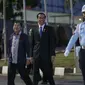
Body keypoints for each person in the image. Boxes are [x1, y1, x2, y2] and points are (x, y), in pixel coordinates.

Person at [29, 12, 56, 85]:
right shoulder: (33, 30)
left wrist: (52, 54)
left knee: (48, 73)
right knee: (35, 73)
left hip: (46, 55)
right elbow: (31, 43)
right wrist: (31, 56)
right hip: (36, 55)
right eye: (39, 18)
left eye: (43, 18)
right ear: (37, 19)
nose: (41, 19)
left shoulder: (49, 29)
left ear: (45, 19)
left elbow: (52, 43)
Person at [64, 5, 85, 85]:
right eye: (84, 13)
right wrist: (68, 49)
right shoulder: (80, 26)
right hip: (83, 51)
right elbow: (73, 38)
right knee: (84, 71)